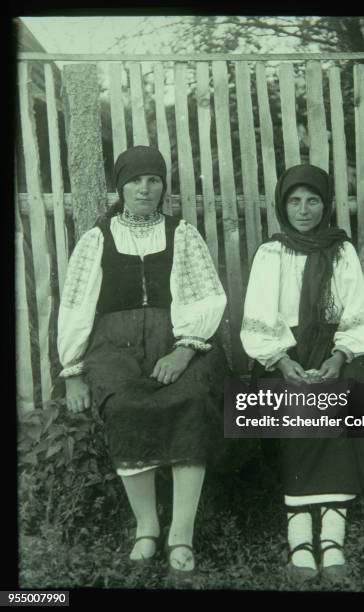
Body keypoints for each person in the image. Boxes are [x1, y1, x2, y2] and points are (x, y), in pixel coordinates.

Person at [58, 145, 229, 582]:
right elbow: (76, 305)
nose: (144, 188)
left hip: (179, 338)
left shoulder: (182, 233)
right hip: (114, 345)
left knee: (191, 400)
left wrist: (185, 349)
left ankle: (182, 534)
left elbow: (207, 296)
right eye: (135, 180)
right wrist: (74, 372)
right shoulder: (97, 237)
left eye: (153, 179)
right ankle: (147, 526)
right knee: (125, 407)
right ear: (120, 186)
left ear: (163, 186)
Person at [240, 164, 364, 586]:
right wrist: (283, 361)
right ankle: (300, 536)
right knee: (297, 406)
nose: (304, 210)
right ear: (283, 205)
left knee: (341, 399)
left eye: (313, 200)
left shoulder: (341, 251)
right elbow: (259, 318)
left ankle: (333, 537)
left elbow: (357, 314)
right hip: (283, 352)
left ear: (326, 204)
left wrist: (339, 357)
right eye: (295, 201)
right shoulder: (272, 253)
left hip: (338, 348)